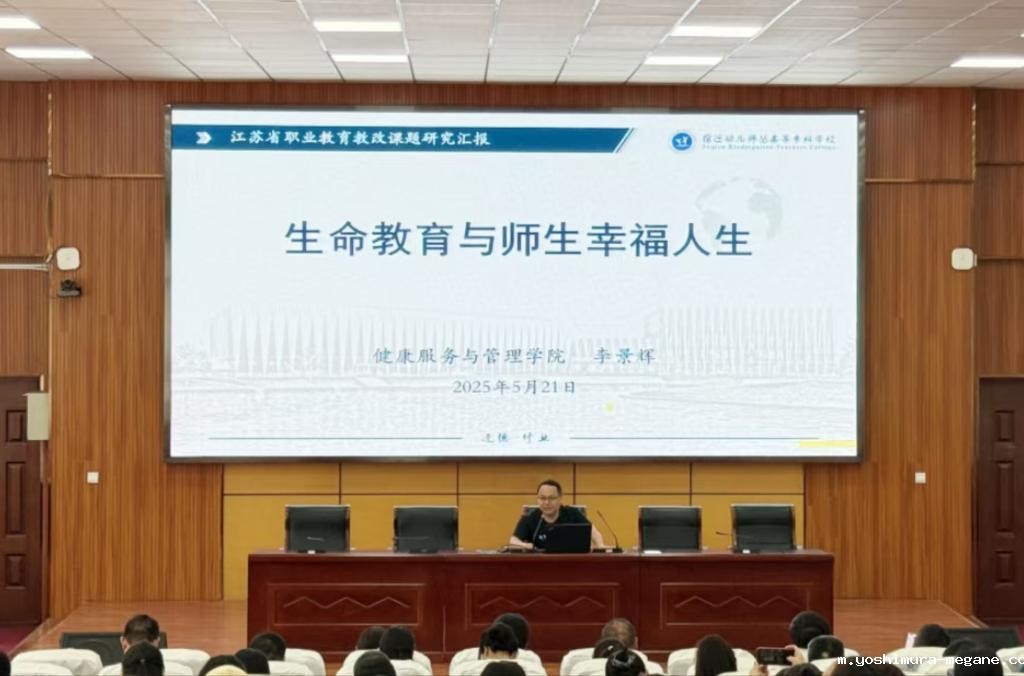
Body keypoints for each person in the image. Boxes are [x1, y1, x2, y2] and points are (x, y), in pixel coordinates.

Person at [508, 479, 605, 550]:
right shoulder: (530, 517)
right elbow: (513, 541)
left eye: (551, 498)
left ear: (560, 498)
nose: (546, 502)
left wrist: (600, 546)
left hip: (572, 564)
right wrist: (526, 545)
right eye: (542, 498)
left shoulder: (573, 514)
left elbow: (594, 533)